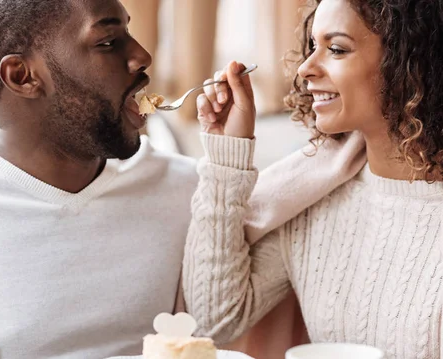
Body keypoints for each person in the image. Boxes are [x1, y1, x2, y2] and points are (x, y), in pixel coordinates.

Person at [0, 0, 364, 358]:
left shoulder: (190, 193)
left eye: (130, 33)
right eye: (109, 41)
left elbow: (218, 329)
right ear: (23, 77)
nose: (142, 56)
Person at [184, 0, 443, 358]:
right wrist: (227, 152)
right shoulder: (312, 197)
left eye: (336, 49)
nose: (306, 68)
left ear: (412, 62)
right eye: (311, 47)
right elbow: (213, 322)